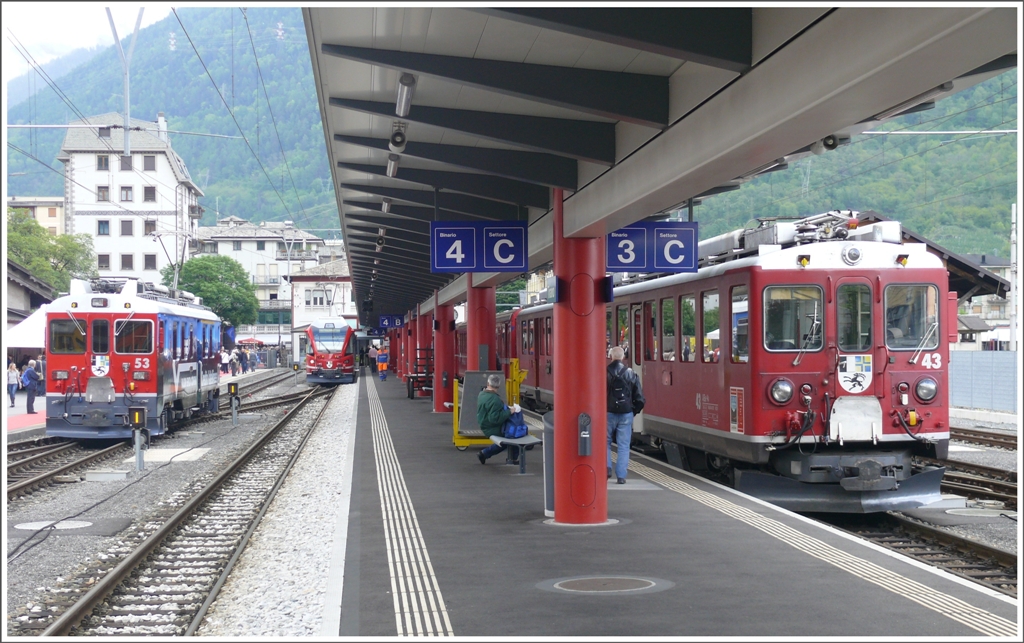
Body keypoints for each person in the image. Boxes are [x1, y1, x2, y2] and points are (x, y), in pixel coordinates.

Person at [607, 346, 644, 484]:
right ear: (623, 357)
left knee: (605, 442)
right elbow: (640, 398)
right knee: (623, 445)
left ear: (611, 356)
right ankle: (621, 476)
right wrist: (633, 412)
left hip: (608, 412)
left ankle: (607, 468)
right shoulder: (631, 373)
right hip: (626, 413)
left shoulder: (603, 372)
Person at [476, 373, 522, 465]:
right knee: (516, 435)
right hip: (491, 427)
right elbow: (495, 419)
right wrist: (510, 411)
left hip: (484, 424)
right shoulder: (494, 399)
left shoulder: (482, 394)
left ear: (488, 384)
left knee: (509, 437)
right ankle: (512, 459)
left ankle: (484, 454)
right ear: (499, 386)